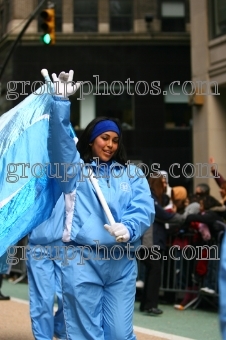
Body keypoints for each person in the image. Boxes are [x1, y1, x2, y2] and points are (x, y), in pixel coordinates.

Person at [42, 69, 155, 340]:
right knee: (84, 335)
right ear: (92, 140)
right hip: (82, 261)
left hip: (121, 263)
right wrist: (60, 102)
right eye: (105, 138)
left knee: (119, 334)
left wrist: (129, 227)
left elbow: (143, 207)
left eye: (115, 140)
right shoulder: (75, 171)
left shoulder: (133, 174)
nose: (110, 145)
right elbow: (61, 145)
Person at [139, 176, 186, 315]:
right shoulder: (150, 197)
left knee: (151, 271)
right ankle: (150, 305)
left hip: (151, 242)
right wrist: (184, 218)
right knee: (155, 270)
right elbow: (162, 214)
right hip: (149, 242)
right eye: (163, 182)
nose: (165, 184)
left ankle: (145, 304)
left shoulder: (154, 197)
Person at [26, 193, 66, 340]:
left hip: (68, 246)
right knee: (43, 299)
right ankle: (43, 337)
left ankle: (61, 329)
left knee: (69, 297)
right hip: (39, 245)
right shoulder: (33, 174)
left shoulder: (74, 173)